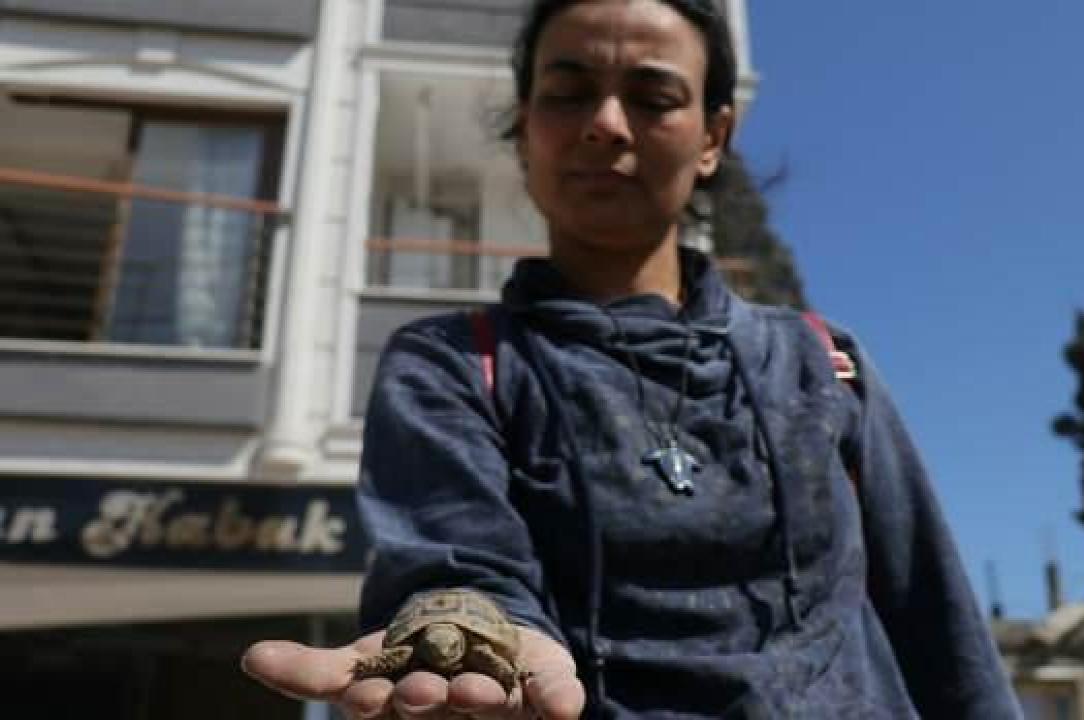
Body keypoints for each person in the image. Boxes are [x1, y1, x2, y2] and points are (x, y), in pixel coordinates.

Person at [242, 1, 1022, 717]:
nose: (606, 124)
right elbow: (456, 563)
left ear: (713, 137)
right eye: (568, 92)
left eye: (653, 97)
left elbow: (943, 631)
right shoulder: (448, 364)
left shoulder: (823, 363)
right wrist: (479, 629)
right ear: (525, 125)